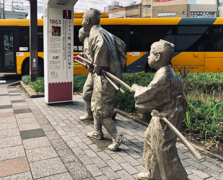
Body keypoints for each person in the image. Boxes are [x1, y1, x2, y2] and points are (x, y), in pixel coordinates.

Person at [131, 40, 188, 180]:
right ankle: (154, 173)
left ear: (157, 57)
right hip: (164, 115)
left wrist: (136, 88)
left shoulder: (164, 76)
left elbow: (148, 94)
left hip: (166, 118)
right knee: (150, 141)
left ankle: (179, 178)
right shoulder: (169, 73)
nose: (148, 56)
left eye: (150, 53)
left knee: (165, 149)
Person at [82, 9, 126, 151]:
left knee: (101, 109)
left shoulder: (96, 34)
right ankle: (97, 132)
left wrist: (99, 65)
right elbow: (122, 45)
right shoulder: (105, 32)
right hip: (108, 74)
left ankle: (116, 137)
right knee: (95, 103)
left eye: (83, 19)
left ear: (87, 21)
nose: (82, 22)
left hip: (105, 77)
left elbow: (101, 48)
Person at [78, 27, 94, 121]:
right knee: (96, 94)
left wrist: (88, 63)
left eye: (79, 33)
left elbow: (90, 57)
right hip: (93, 72)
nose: (78, 35)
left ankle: (89, 114)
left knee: (86, 93)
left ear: (83, 34)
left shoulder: (87, 41)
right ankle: (110, 112)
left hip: (93, 73)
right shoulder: (88, 41)